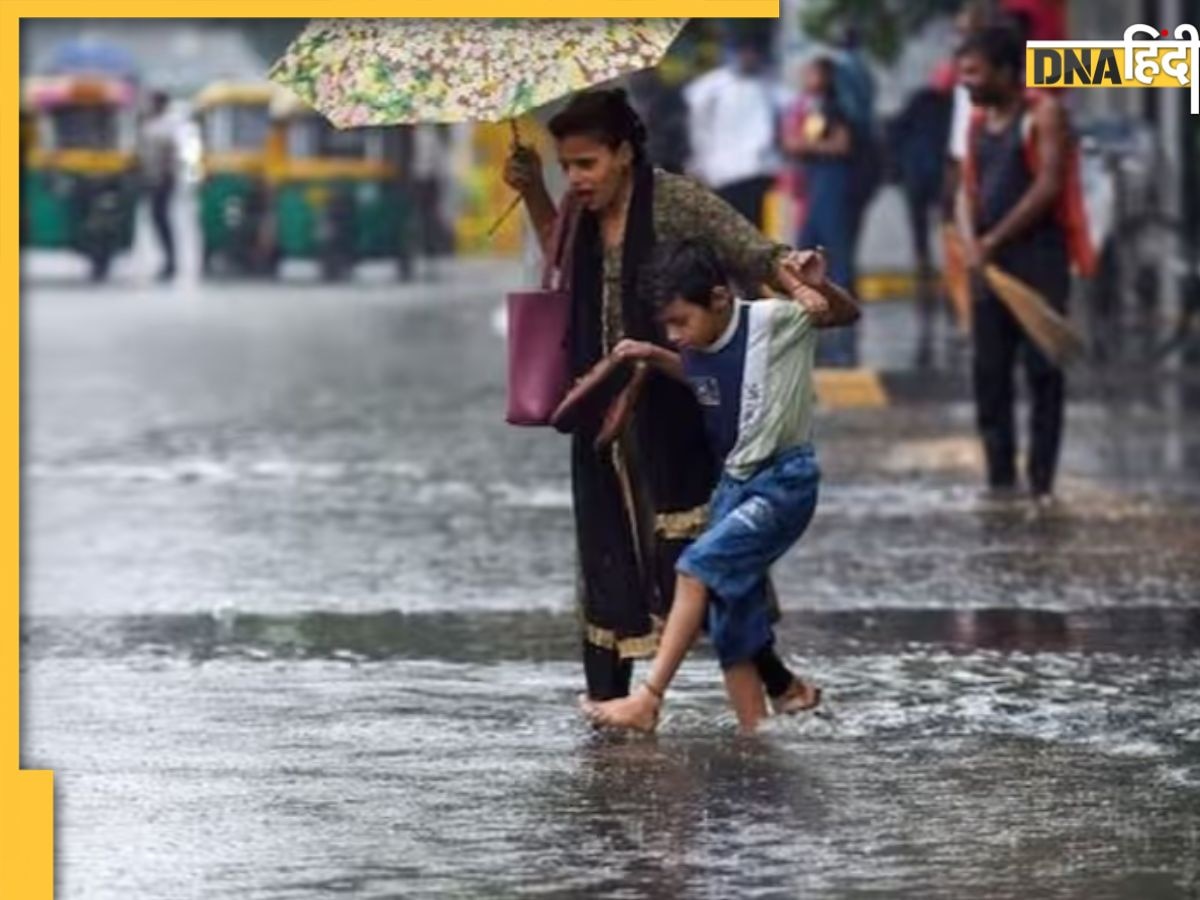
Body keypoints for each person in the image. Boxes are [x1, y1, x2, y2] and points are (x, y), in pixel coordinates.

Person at [502, 89, 832, 710]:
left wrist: (801, 280)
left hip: (672, 403)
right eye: (565, 165)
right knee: (605, 550)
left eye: (586, 164)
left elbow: (752, 250)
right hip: (598, 404)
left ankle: (774, 684)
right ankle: (610, 705)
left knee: (696, 552)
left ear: (623, 153)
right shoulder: (577, 210)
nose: (575, 178)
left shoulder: (676, 200)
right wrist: (534, 193)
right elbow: (564, 264)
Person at [582, 239, 860, 733]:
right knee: (730, 616)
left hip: (782, 483)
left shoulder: (773, 321)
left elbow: (842, 314)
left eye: (680, 321)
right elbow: (700, 375)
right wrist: (652, 353)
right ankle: (756, 732)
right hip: (734, 486)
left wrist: (819, 289)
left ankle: (648, 699)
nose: (676, 335)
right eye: (666, 326)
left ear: (718, 298)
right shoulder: (697, 345)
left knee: (695, 569)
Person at [956, 25, 1079, 506]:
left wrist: (993, 239)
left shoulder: (1042, 113)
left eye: (975, 73)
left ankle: (1042, 484)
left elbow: (1048, 185)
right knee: (990, 373)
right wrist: (972, 243)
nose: (966, 82)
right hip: (988, 265)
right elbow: (968, 190)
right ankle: (1000, 481)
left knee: (1043, 371)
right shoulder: (977, 122)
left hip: (1039, 259)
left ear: (1006, 72)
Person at [785, 57, 858, 367]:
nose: (805, 77)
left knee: (833, 245)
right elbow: (793, 143)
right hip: (815, 182)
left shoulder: (834, 107)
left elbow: (841, 145)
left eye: (812, 72)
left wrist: (806, 146)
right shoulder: (808, 106)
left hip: (832, 181)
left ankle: (839, 305)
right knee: (808, 243)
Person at [682, 32, 783, 229]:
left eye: (753, 53)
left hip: (758, 171)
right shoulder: (711, 87)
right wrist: (699, 162)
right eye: (744, 52)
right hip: (722, 172)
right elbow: (697, 126)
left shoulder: (769, 87)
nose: (749, 57)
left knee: (755, 227)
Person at [139, 90, 178, 282]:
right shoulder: (150, 124)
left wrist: (164, 177)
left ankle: (171, 262)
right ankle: (167, 261)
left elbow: (169, 156)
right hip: (150, 178)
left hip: (162, 180)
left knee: (162, 221)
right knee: (157, 220)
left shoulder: (166, 126)